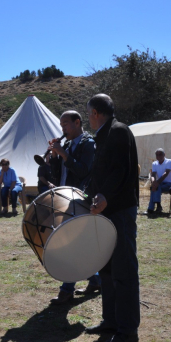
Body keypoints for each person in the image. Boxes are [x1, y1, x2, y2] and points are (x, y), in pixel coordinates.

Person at [84, 94, 140, 342]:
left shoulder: (118, 131)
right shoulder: (104, 134)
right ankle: (111, 320)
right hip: (105, 211)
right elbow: (100, 173)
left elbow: (120, 170)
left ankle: (128, 331)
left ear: (95, 112)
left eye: (88, 114)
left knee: (124, 269)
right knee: (106, 267)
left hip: (119, 211)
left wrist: (104, 196)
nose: (88, 119)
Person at [47, 110, 99, 305]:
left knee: (71, 244)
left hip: (81, 198)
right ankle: (96, 280)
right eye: (61, 126)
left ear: (78, 122)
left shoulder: (89, 144)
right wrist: (54, 155)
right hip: (65, 198)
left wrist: (63, 153)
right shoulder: (67, 144)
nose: (63, 129)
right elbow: (56, 174)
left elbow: (84, 170)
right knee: (77, 243)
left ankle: (67, 290)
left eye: (66, 125)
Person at [144, 148, 171, 215]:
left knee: (157, 187)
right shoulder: (154, 163)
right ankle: (156, 207)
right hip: (160, 183)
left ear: (164, 154)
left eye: (160, 154)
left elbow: (165, 173)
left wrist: (157, 183)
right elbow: (153, 175)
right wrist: (153, 182)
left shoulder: (170, 161)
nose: (159, 156)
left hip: (170, 183)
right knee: (154, 187)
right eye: (157, 155)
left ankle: (152, 208)